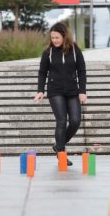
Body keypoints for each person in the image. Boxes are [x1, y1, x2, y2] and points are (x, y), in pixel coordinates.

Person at [34, 22, 87, 166]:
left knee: (75, 121)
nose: (54, 41)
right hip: (55, 91)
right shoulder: (48, 53)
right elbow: (42, 72)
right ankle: (61, 153)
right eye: (52, 38)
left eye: (57, 38)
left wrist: (82, 91)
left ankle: (58, 145)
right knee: (62, 121)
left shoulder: (75, 50)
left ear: (64, 36)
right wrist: (40, 90)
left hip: (72, 91)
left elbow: (81, 71)